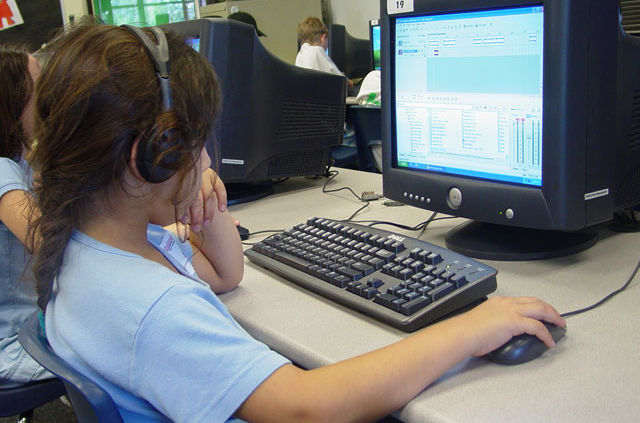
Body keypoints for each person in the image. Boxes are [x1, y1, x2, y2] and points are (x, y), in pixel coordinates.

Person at [30, 22, 565, 422]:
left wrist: (198, 196)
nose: (208, 157)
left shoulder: (90, 248)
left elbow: (224, 276)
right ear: (153, 157)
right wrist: (467, 330)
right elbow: (305, 408)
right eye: (198, 143)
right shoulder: (154, 308)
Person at [0, 45, 53, 387]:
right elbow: (48, 243)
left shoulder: (23, 164)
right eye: (40, 85)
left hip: (33, 325)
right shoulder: (2, 170)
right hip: (17, 342)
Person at [295, 16, 354, 87]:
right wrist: (349, 81)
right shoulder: (316, 51)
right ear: (322, 38)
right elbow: (337, 75)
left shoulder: (300, 55)